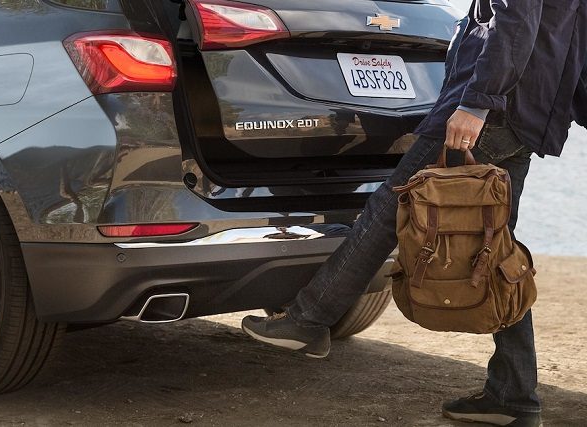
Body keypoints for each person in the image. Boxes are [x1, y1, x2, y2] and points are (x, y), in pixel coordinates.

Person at [241, 0, 587, 425]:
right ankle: (513, 395)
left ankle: (308, 321)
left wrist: (476, 103)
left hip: (491, 113)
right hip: (527, 118)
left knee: (390, 210)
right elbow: (575, 40)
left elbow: (513, 24)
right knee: (497, 250)